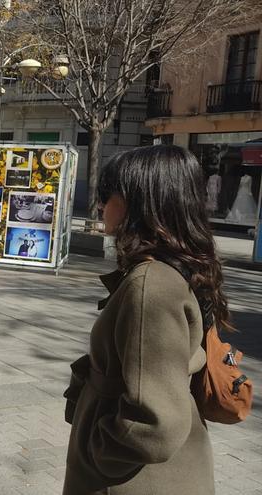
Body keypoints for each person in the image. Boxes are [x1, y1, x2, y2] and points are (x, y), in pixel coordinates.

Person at [63, 145, 219, 494]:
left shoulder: (152, 284)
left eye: (109, 194)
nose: (101, 205)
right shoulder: (164, 271)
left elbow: (157, 420)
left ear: (141, 202)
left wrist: (100, 454)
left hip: (131, 481)